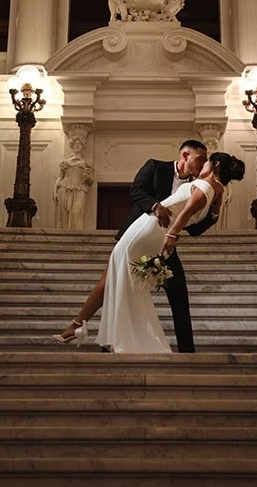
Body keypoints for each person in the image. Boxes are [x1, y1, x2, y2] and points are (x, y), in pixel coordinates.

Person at [53, 147, 245, 353]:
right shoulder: (165, 170)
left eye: (206, 161)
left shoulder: (204, 186)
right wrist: (156, 207)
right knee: (121, 280)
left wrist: (172, 235)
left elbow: (190, 218)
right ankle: (95, 332)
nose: (202, 163)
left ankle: (120, 337)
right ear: (185, 155)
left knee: (131, 281)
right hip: (151, 227)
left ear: (215, 165)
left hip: (156, 233)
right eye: (199, 159)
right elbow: (137, 190)